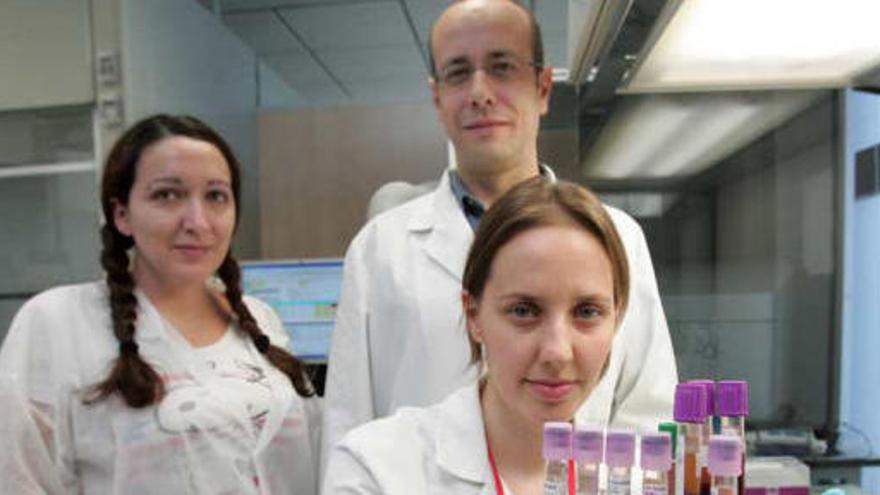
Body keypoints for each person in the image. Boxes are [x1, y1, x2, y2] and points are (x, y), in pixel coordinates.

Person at [322, 0, 677, 463]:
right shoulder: (378, 250)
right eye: (457, 73)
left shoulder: (618, 239)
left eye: (502, 66)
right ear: (437, 98)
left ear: (543, 87)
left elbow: (648, 418)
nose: (480, 92)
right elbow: (346, 428)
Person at [0, 115, 319, 494]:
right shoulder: (57, 321)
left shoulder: (258, 317)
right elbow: (16, 476)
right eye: (168, 195)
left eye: (216, 196)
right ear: (121, 214)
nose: (197, 221)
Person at [323, 177, 630, 494]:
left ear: (616, 318)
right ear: (473, 316)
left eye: (587, 312)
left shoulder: (638, 481)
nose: (558, 352)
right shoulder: (376, 469)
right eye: (524, 311)